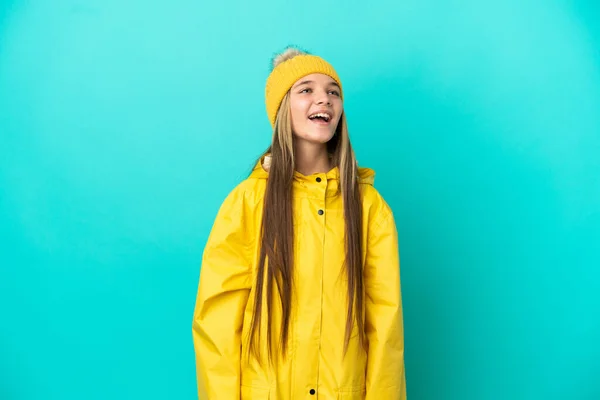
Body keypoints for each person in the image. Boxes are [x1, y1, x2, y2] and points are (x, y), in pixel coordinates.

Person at [192, 46, 406, 399]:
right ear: (281, 110)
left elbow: (385, 326)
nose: (323, 99)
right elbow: (217, 323)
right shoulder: (247, 203)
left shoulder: (368, 207)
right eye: (306, 89)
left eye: (333, 92)